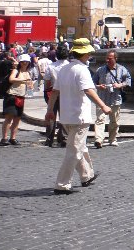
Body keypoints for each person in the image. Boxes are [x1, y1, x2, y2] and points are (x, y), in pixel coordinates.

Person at [45, 39, 113, 195]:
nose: (89, 55)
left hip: (66, 116)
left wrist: (50, 110)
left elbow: (54, 91)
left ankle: (86, 175)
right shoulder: (82, 70)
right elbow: (89, 90)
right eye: (88, 53)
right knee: (74, 151)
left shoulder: (64, 69)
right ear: (84, 54)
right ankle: (62, 184)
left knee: (78, 146)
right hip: (79, 116)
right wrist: (103, 105)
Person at [93, 50, 131, 148]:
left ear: (115, 59)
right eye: (107, 58)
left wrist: (120, 85)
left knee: (114, 121)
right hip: (102, 98)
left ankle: (112, 139)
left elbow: (128, 80)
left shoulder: (122, 69)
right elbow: (93, 82)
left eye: (110, 58)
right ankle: (99, 140)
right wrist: (98, 86)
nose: (108, 60)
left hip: (115, 99)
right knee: (100, 119)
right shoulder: (100, 70)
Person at [0, 53, 32, 146]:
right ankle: (4, 138)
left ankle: (13, 138)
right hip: (12, 96)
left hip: (21, 97)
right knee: (8, 118)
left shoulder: (28, 72)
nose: (25, 63)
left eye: (27, 62)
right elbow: (11, 79)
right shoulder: (16, 71)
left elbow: (28, 83)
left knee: (17, 118)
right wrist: (23, 81)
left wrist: (30, 85)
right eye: (23, 61)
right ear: (20, 62)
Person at [44, 44, 69, 147]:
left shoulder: (51, 66)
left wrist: (46, 92)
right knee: (64, 115)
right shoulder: (69, 66)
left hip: (53, 92)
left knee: (51, 115)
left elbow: (47, 82)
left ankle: (49, 138)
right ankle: (64, 137)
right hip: (66, 93)